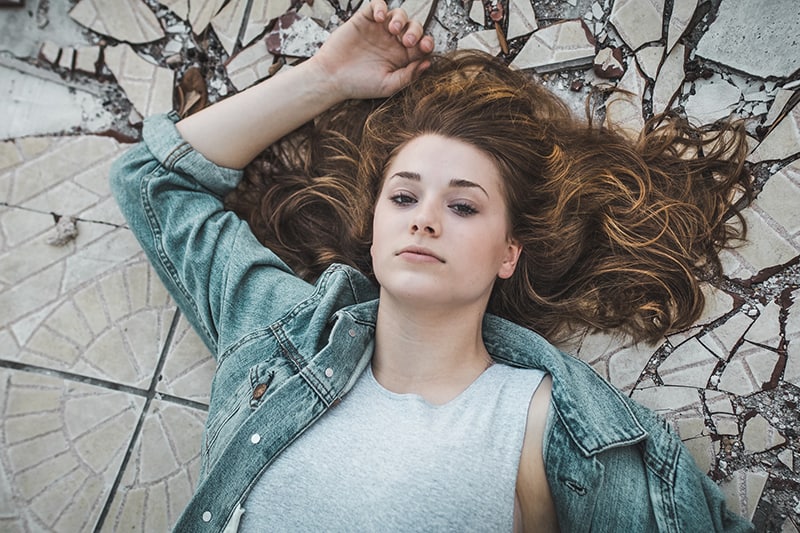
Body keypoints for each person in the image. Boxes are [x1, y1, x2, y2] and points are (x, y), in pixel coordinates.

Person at [110, 0, 754, 530]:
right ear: (375, 231)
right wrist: (326, 76)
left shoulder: (545, 422)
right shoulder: (280, 333)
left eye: (464, 207)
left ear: (509, 254)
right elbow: (151, 181)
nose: (425, 219)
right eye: (405, 196)